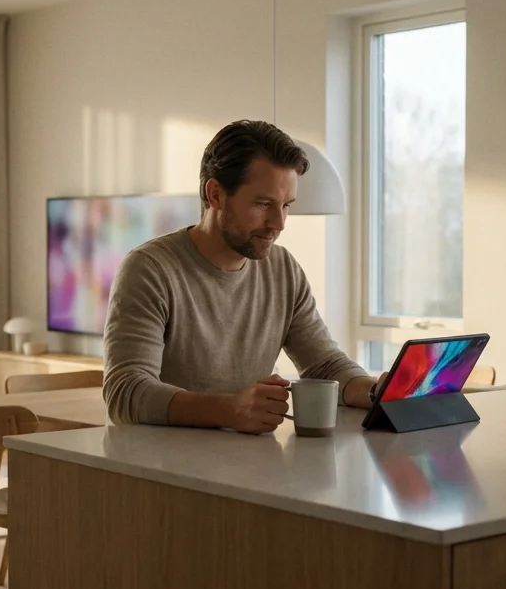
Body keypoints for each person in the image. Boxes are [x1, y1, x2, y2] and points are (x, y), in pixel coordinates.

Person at [103, 120, 380, 434]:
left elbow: (326, 366)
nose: (279, 223)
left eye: (286, 206)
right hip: (162, 471)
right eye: (263, 204)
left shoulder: (283, 270)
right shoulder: (149, 270)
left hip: (252, 467)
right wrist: (228, 410)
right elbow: (125, 394)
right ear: (216, 194)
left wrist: (377, 392)